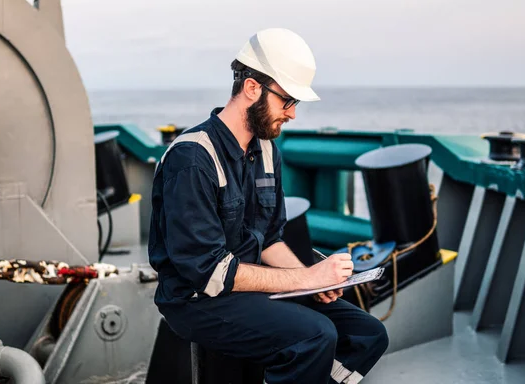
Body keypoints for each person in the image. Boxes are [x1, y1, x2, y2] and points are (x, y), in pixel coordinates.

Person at [148, 28, 389, 384]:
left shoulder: (266, 151)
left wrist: (312, 285)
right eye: (287, 100)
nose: (292, 114)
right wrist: (306, 276)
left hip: (249, 284)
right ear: (252, 89)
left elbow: (272, 239)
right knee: (314, 335)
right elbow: (209, 272)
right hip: (196, 299)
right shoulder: (192, 159)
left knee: (367, 335)